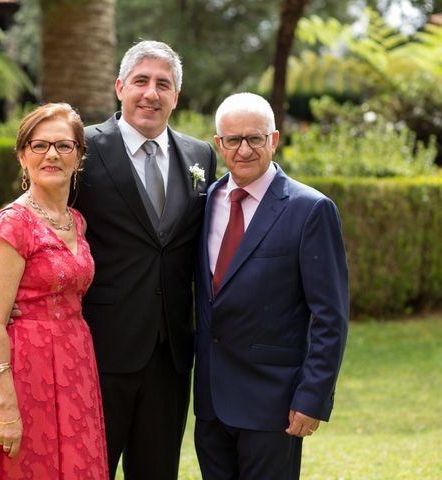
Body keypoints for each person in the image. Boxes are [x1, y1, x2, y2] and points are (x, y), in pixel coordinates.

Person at [75, 40, 217, 479]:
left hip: (171, 355)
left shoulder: (201, 157)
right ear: (120, 87)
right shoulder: (82, 150)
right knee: (90, 470)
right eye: (141, 81)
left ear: (176, 96)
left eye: (163, 84)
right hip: (101, 350)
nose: (151, 93)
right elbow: (42, 216)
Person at [193, 92, 349, 479]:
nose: (243, 149)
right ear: (219, 144)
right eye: (233, 140)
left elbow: (330, 316)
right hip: (211, 404)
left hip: (272, 404)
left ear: (274, 140)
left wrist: (313, 397)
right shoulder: (207, 200)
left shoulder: (310, 209)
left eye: (255, 138)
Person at [0, 103, 108, 479]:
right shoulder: (12, 224)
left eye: (63, 145)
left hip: (75, 362)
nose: (52, 155)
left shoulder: (76, 221)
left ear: (79, 156)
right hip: (26, 367)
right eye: (39, 146)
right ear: (23, 156)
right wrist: (6, 407)